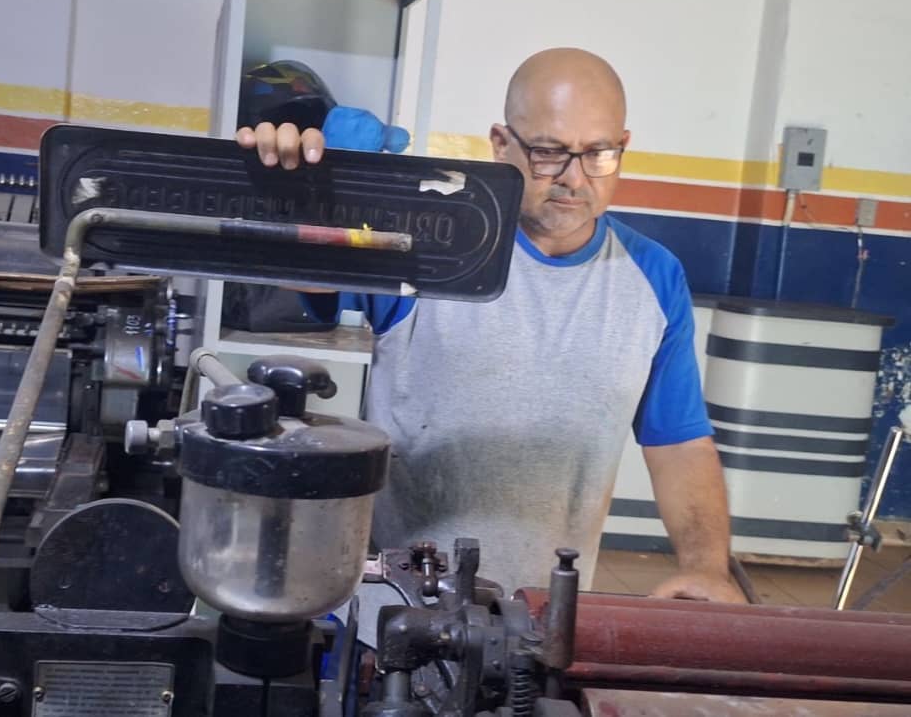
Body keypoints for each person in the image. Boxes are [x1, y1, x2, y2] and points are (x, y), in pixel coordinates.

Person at [236, 47, 746, 603]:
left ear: (623, 146)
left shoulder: (654, 279)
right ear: (502, 144)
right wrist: (298, 198)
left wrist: (707, 568)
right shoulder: (427, 246)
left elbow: (679, 444)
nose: (574, 179)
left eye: (599, 154)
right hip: (395, 606)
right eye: (549, 152)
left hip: (548, 614)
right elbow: (308, 280)